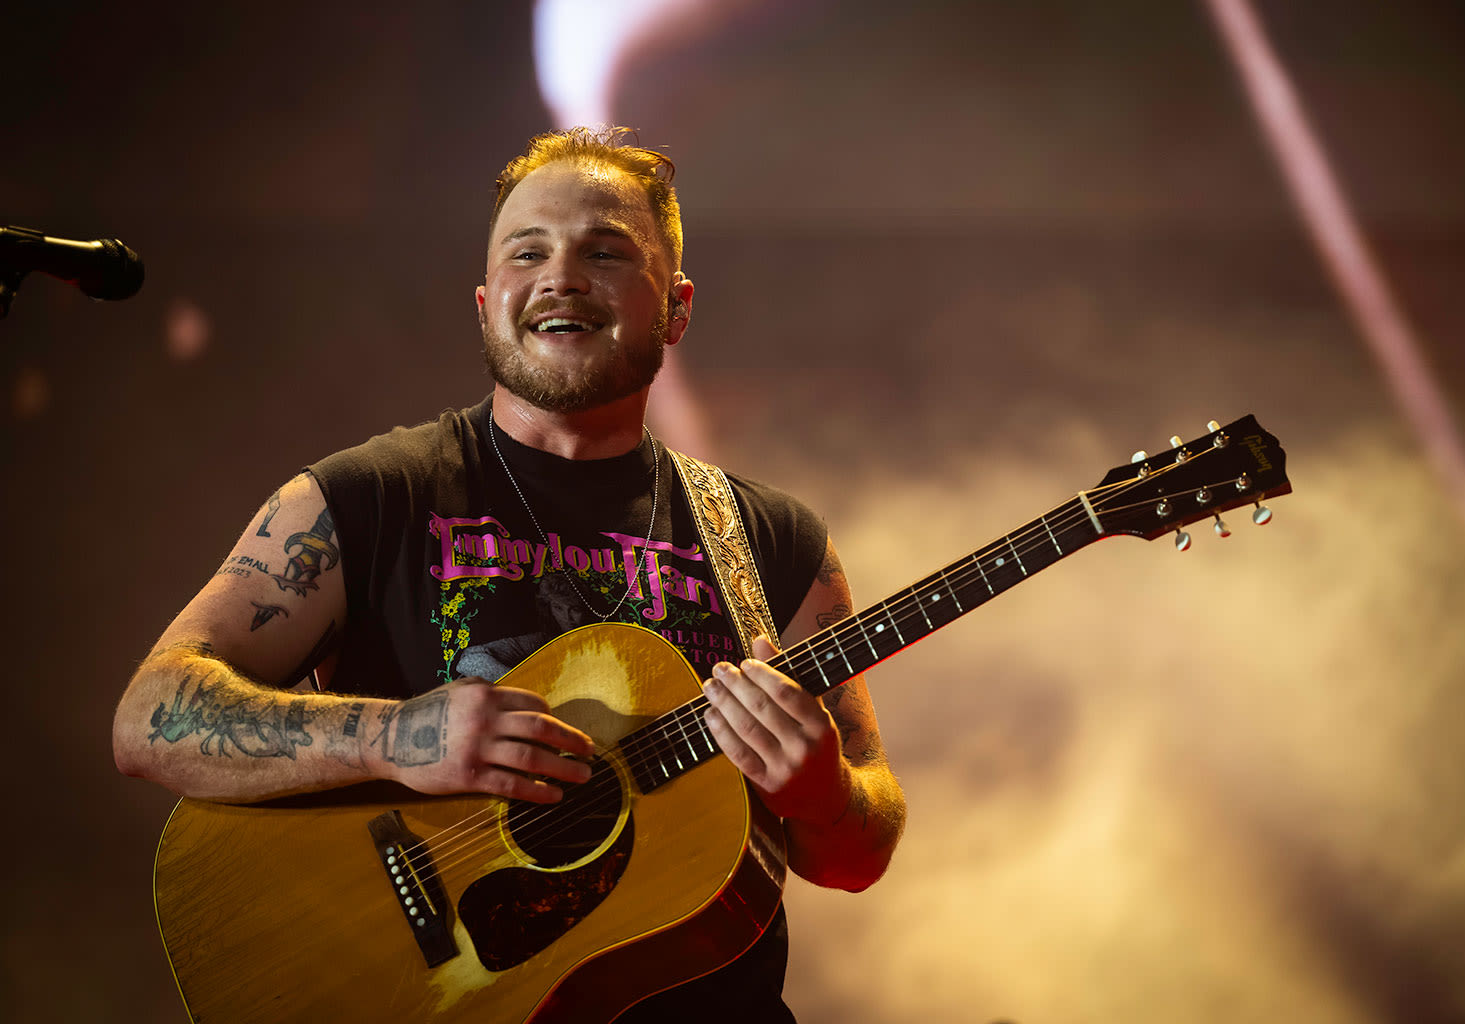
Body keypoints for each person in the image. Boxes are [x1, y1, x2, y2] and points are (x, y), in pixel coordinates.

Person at [112, 126, 906, 1022]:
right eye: (529, 251)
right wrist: (393, 738)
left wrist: (824, 794)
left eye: (605, 252)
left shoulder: (774, 539)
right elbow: (149, 718)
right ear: (488, 303)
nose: (561, 275)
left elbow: (856, 855)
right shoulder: (369, 497)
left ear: (677, 309)